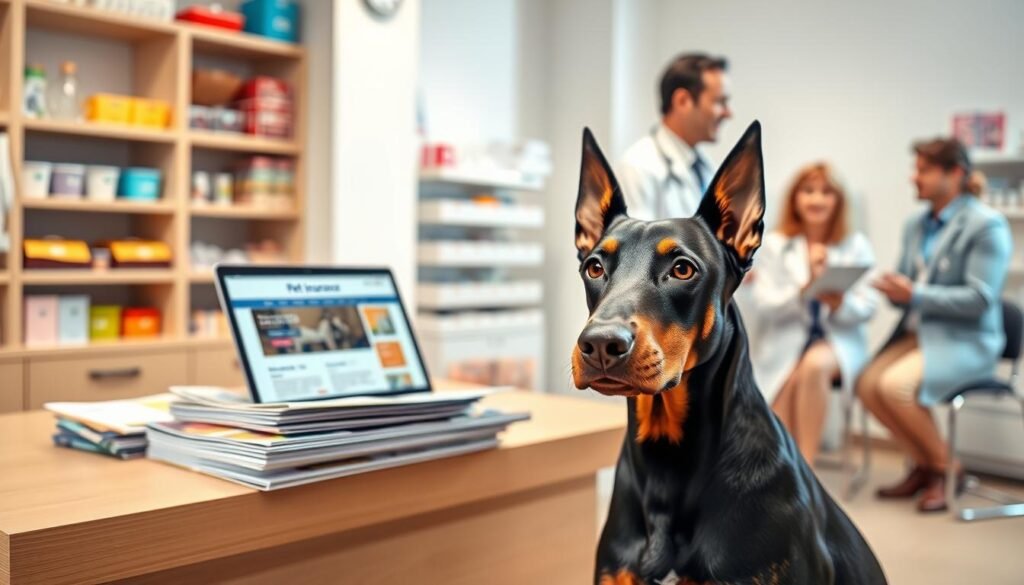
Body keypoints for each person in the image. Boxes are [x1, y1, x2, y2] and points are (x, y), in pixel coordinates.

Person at [858, 137, 1012, 513]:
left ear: (955, 173)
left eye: (923, 170)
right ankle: (924, 465)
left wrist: (915, 295)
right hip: (920, 334)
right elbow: (909, 286)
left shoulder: (987, 225)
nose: (914, 178)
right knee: (867, 386)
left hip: (967, 340)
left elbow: (980, 299)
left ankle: (947, 470)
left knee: (895, 387)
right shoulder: (917, 224)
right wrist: (893, 290)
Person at [748, 163, 877, 464]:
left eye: (826, 192)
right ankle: (787, 471)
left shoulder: (855, 245)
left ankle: (805, 466)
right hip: (787, 340)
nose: (816, 199)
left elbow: (868, 307)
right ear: (794, 198)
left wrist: (838, 303)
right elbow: (765, 303)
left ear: (839, 200)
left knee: (814, 366)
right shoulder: (776, 245)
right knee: (779, 413)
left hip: (837, 341)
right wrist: (804, 291)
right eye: (808, 191)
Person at [616, 53, 731, 220]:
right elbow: (636, 242)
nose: (728, 113)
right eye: (720, 102)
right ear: (682, 101)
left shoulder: (705, 168)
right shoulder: (637, 167)